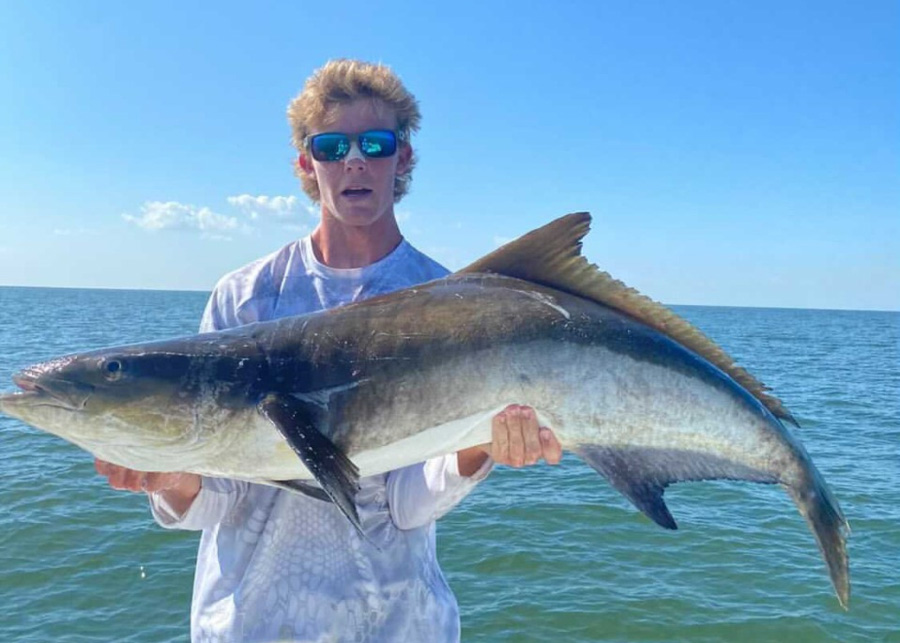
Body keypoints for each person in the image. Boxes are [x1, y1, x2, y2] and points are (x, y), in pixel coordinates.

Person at [95, 59, 562, 642]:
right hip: (252, 625)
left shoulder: (455, 305)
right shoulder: (245, 298)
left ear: (404, 157)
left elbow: (409, 504)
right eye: (331, 146)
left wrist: (477, 451)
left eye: (375, 142)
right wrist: (170, 479)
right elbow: (222, 500)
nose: (355, 161)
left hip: (399, 623)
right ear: (305, 163)